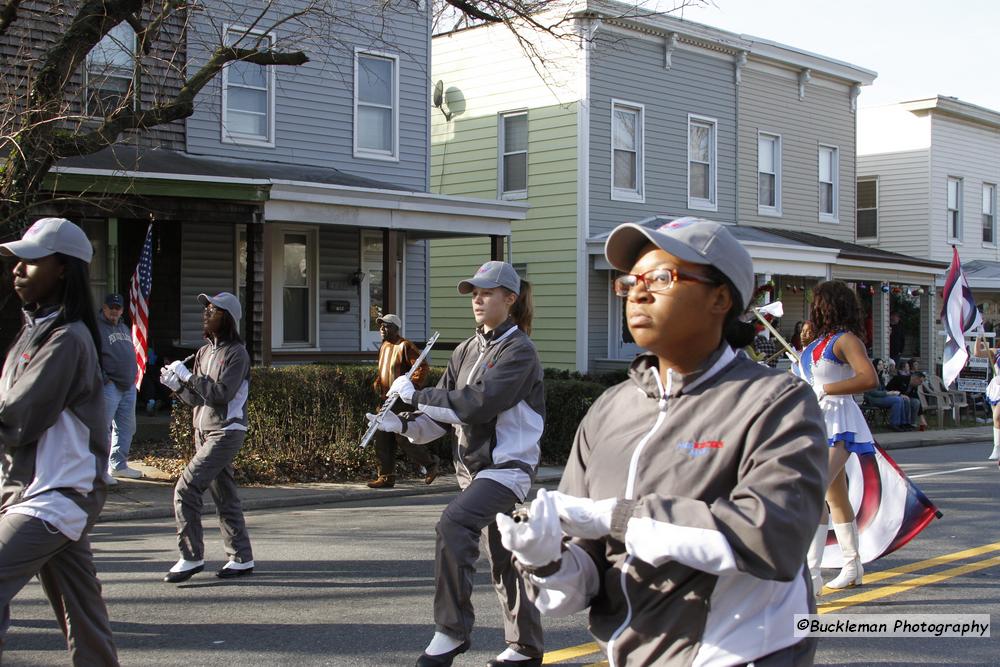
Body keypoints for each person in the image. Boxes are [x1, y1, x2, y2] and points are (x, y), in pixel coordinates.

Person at [496, 218, 828, 666]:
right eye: (631, 282)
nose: (638, 292)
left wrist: (614, 516)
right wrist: (543, 557)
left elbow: (772, 538)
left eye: (661, 278)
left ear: (720, 297)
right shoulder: (609, 409)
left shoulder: (775, 400)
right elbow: (586, 577)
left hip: (742, 653)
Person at [367, 260, 545, 667]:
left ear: (510, 299)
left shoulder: (520, 351)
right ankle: (526, 647)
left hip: (507, 470)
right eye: (474, 293)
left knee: (453, 523)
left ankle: (451, 631)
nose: (477, 299)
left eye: (487, 292)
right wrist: (404, 424)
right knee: (508, 558)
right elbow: (441, 418)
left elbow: (478, 405)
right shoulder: (466, 349)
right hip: (473, 474)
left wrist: (416, 396)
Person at [0, 217, 119, 665]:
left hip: (52, 498)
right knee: (84, 615)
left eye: (32, 260)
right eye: (17, 260)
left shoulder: (68, 338)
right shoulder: (35, 332)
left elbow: (19, 416)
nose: (18, 269)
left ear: (64, 269)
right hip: (40, 492)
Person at [159, 292, 254, 583]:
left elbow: (221, 395)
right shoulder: (203, 352)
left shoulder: (237, 354)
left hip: (227, 431)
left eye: (212, 310)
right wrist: (177, 385)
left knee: (185, 489)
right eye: (206, 309)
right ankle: (241, 557)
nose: (206, 314)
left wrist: (188, 377)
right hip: (204, 432)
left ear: (226, 317)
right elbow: (197, 399)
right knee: (224, 496)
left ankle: (190, 557)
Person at [797, 280, 879, 593]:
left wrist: (827, 388)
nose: (811, 307)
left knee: (814, 491)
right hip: (815, 421)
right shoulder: (816, 343)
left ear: (827, 305)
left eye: (816, 302)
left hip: (839, 422)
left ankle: (811, 575)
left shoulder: (846, 340)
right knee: (835, 495)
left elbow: (868, 378)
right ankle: (852, 564)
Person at [367, 313, 438, 489]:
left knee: (402, 437)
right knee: (382, 437)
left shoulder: (405, 346)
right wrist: (378, 381)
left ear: (396, 328)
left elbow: (421, 367)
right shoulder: (384, 346)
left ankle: (431, 464)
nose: (382, 329)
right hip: (385, 399)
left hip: (400, 400)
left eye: (387, 326)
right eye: (381, 326)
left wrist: (410, 386)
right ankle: (386, 476)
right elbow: (385, 369)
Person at [97, 293, 142, 481]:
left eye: (117, 308)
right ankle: (98, 471)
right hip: (109, 386)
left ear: (122, 310)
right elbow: (90, 355)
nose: (114, 311)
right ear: (104, 308)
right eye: (111, 307)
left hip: (128, 385)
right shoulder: (96, 328)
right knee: (102, 428)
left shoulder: (123, 327)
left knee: (126, 427)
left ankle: (118, 465)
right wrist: (104, 378)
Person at [864, 358, 912, 432]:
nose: (881, 366)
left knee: (902, 399)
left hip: (881, 397)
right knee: (897, 400)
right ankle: (894, 423)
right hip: (872, 398)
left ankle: (904, 423)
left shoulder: (880, 377)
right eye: (879, 364)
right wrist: (887, 393)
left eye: (882, 364)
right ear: (874, 365)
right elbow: (873, 392)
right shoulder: (870, 376)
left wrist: (895, 393)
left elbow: (883, 389)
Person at [972, 335, 1000, 460]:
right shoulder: (996, 352)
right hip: (998, 387)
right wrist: (978, 337)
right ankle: (997, 447)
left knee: (997, 416)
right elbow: (977, 353)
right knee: (997, 419)